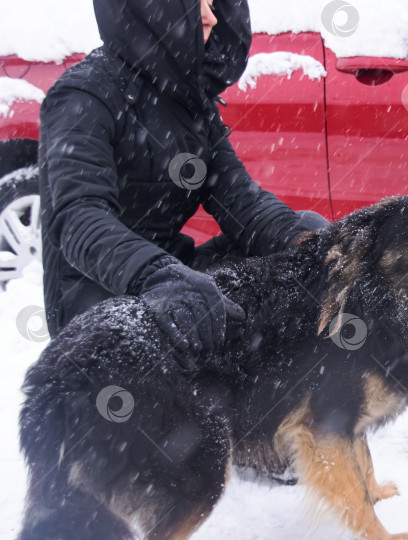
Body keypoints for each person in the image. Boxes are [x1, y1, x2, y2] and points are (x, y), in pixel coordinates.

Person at [37, 0, 328, 355]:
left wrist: (303, 241)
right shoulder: (84, 94)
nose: (210, 15)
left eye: (212, 2)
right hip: (98, 292)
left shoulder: (186, 99)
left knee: (306, 251)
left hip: (176, 276)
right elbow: (78, 217)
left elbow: (240, 200)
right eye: (195, 3)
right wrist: (157, 274)